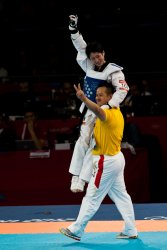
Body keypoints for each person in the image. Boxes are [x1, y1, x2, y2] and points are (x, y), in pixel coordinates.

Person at [60, 82, 138, 241]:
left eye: (101, 95)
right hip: (116, 158)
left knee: (92, 196)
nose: (97, 97)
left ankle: (76, 229)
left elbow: (96, 110)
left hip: (106, 161)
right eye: (96, 95)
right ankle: (130, 229)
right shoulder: (117, 111)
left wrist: (83, 98)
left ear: (110, 97)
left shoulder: (106, 112)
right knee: (121, 196)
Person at [68, 14, 130, 193]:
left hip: (104, 112)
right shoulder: (87, 65)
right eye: (93, 57)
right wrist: (73, 27)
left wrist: (109, 106)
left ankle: (83, 180)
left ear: (104, 54)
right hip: (89, 109)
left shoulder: (114, 71)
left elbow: (123, 90)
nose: (97, 60)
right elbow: (80, 46)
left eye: (99, 56)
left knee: (95, 145)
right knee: (82, 141)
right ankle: (75, 176)